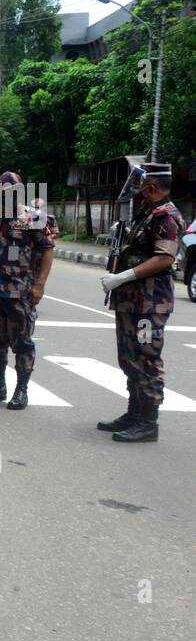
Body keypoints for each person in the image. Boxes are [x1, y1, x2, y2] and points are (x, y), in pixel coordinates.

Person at [98, 162, 183, 443]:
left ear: (153, 187)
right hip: (130, 302)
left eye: (141, 185)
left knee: (145, 358)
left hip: (149, 305)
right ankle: (134, 413)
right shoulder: (145, 214)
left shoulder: (165, 216)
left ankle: (149, 422)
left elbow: (165, 258)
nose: (136, 190)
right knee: (129, 357)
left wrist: (123, 276)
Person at [0, 170, 55, 409]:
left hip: (20, 292)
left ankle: (21, 390)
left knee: (22, 342)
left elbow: (47, 250)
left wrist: (40, 285)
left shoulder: (32, 218)